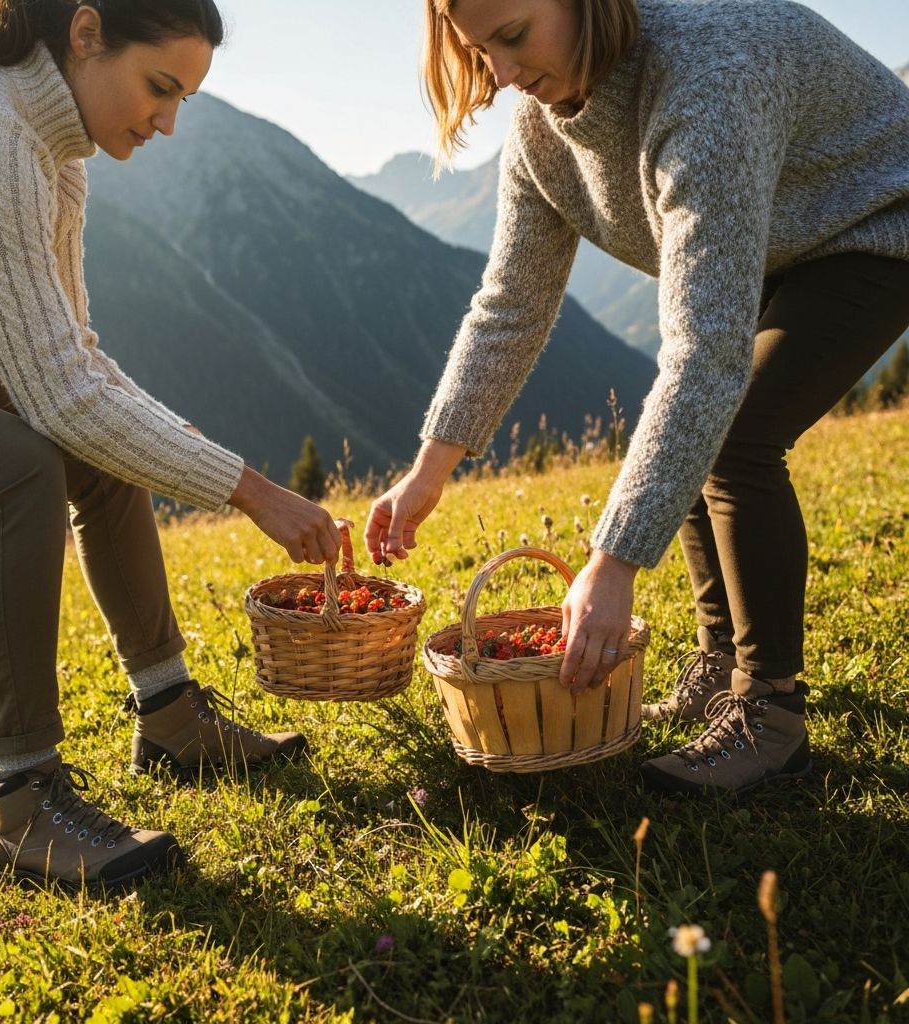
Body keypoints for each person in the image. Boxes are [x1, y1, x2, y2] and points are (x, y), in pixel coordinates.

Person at [366, 0, 909, 795]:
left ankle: (772, 717)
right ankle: (718, 666)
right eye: (482, 53)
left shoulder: (707, 80)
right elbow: (511, 305)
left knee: (729, 433)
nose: (506, 77)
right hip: (780, 237)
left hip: (876, 223)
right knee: (685, 432)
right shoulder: (541, 127)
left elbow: (704, 359)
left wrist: (612, 562)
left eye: (513, 38)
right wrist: (429, 468)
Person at [0, 0, 344, 889]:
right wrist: (252, 490)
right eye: (158, 88)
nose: (168, 121)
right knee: (15, 470)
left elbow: (76, 366)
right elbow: (60, 396)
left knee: (103, 443)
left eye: (184, 100)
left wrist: (164, 438)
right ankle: (22, 806)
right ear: (86, 35)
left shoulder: (52, 149)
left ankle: (170, 717)